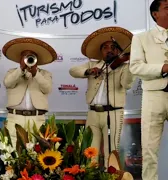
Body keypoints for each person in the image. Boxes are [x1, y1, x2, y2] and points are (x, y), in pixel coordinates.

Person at [69, 26, 134, 167]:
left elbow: (127, 84)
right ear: (101, 51)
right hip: (93, 113)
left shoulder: (123, 66)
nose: (109, 49)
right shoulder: (93, 64)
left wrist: (130, 65)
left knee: (112, 151)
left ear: (118, 50)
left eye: (113, 47)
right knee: (90, 151)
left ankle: (110, 176)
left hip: (114, 112)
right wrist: (89, 71)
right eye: (105, 47)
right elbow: (73, 71)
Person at [129, 0, 168, 179]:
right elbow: (135, 68)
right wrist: (162, 68)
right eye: (167, 8)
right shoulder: (141, 38)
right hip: (154, 96)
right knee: (149, 152)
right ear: (155, 14)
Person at [2, 37, 56, 148]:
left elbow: (47, 89)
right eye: (25, 56)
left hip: (37, 119)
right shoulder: (12, 72)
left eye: (31, 56)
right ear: (20, 58)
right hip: (15, 117)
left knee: (35, 155)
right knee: (13, 154)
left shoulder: (45, 74)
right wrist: (21, 69)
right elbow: (8, 83)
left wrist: (36, 73)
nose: (28, 59)